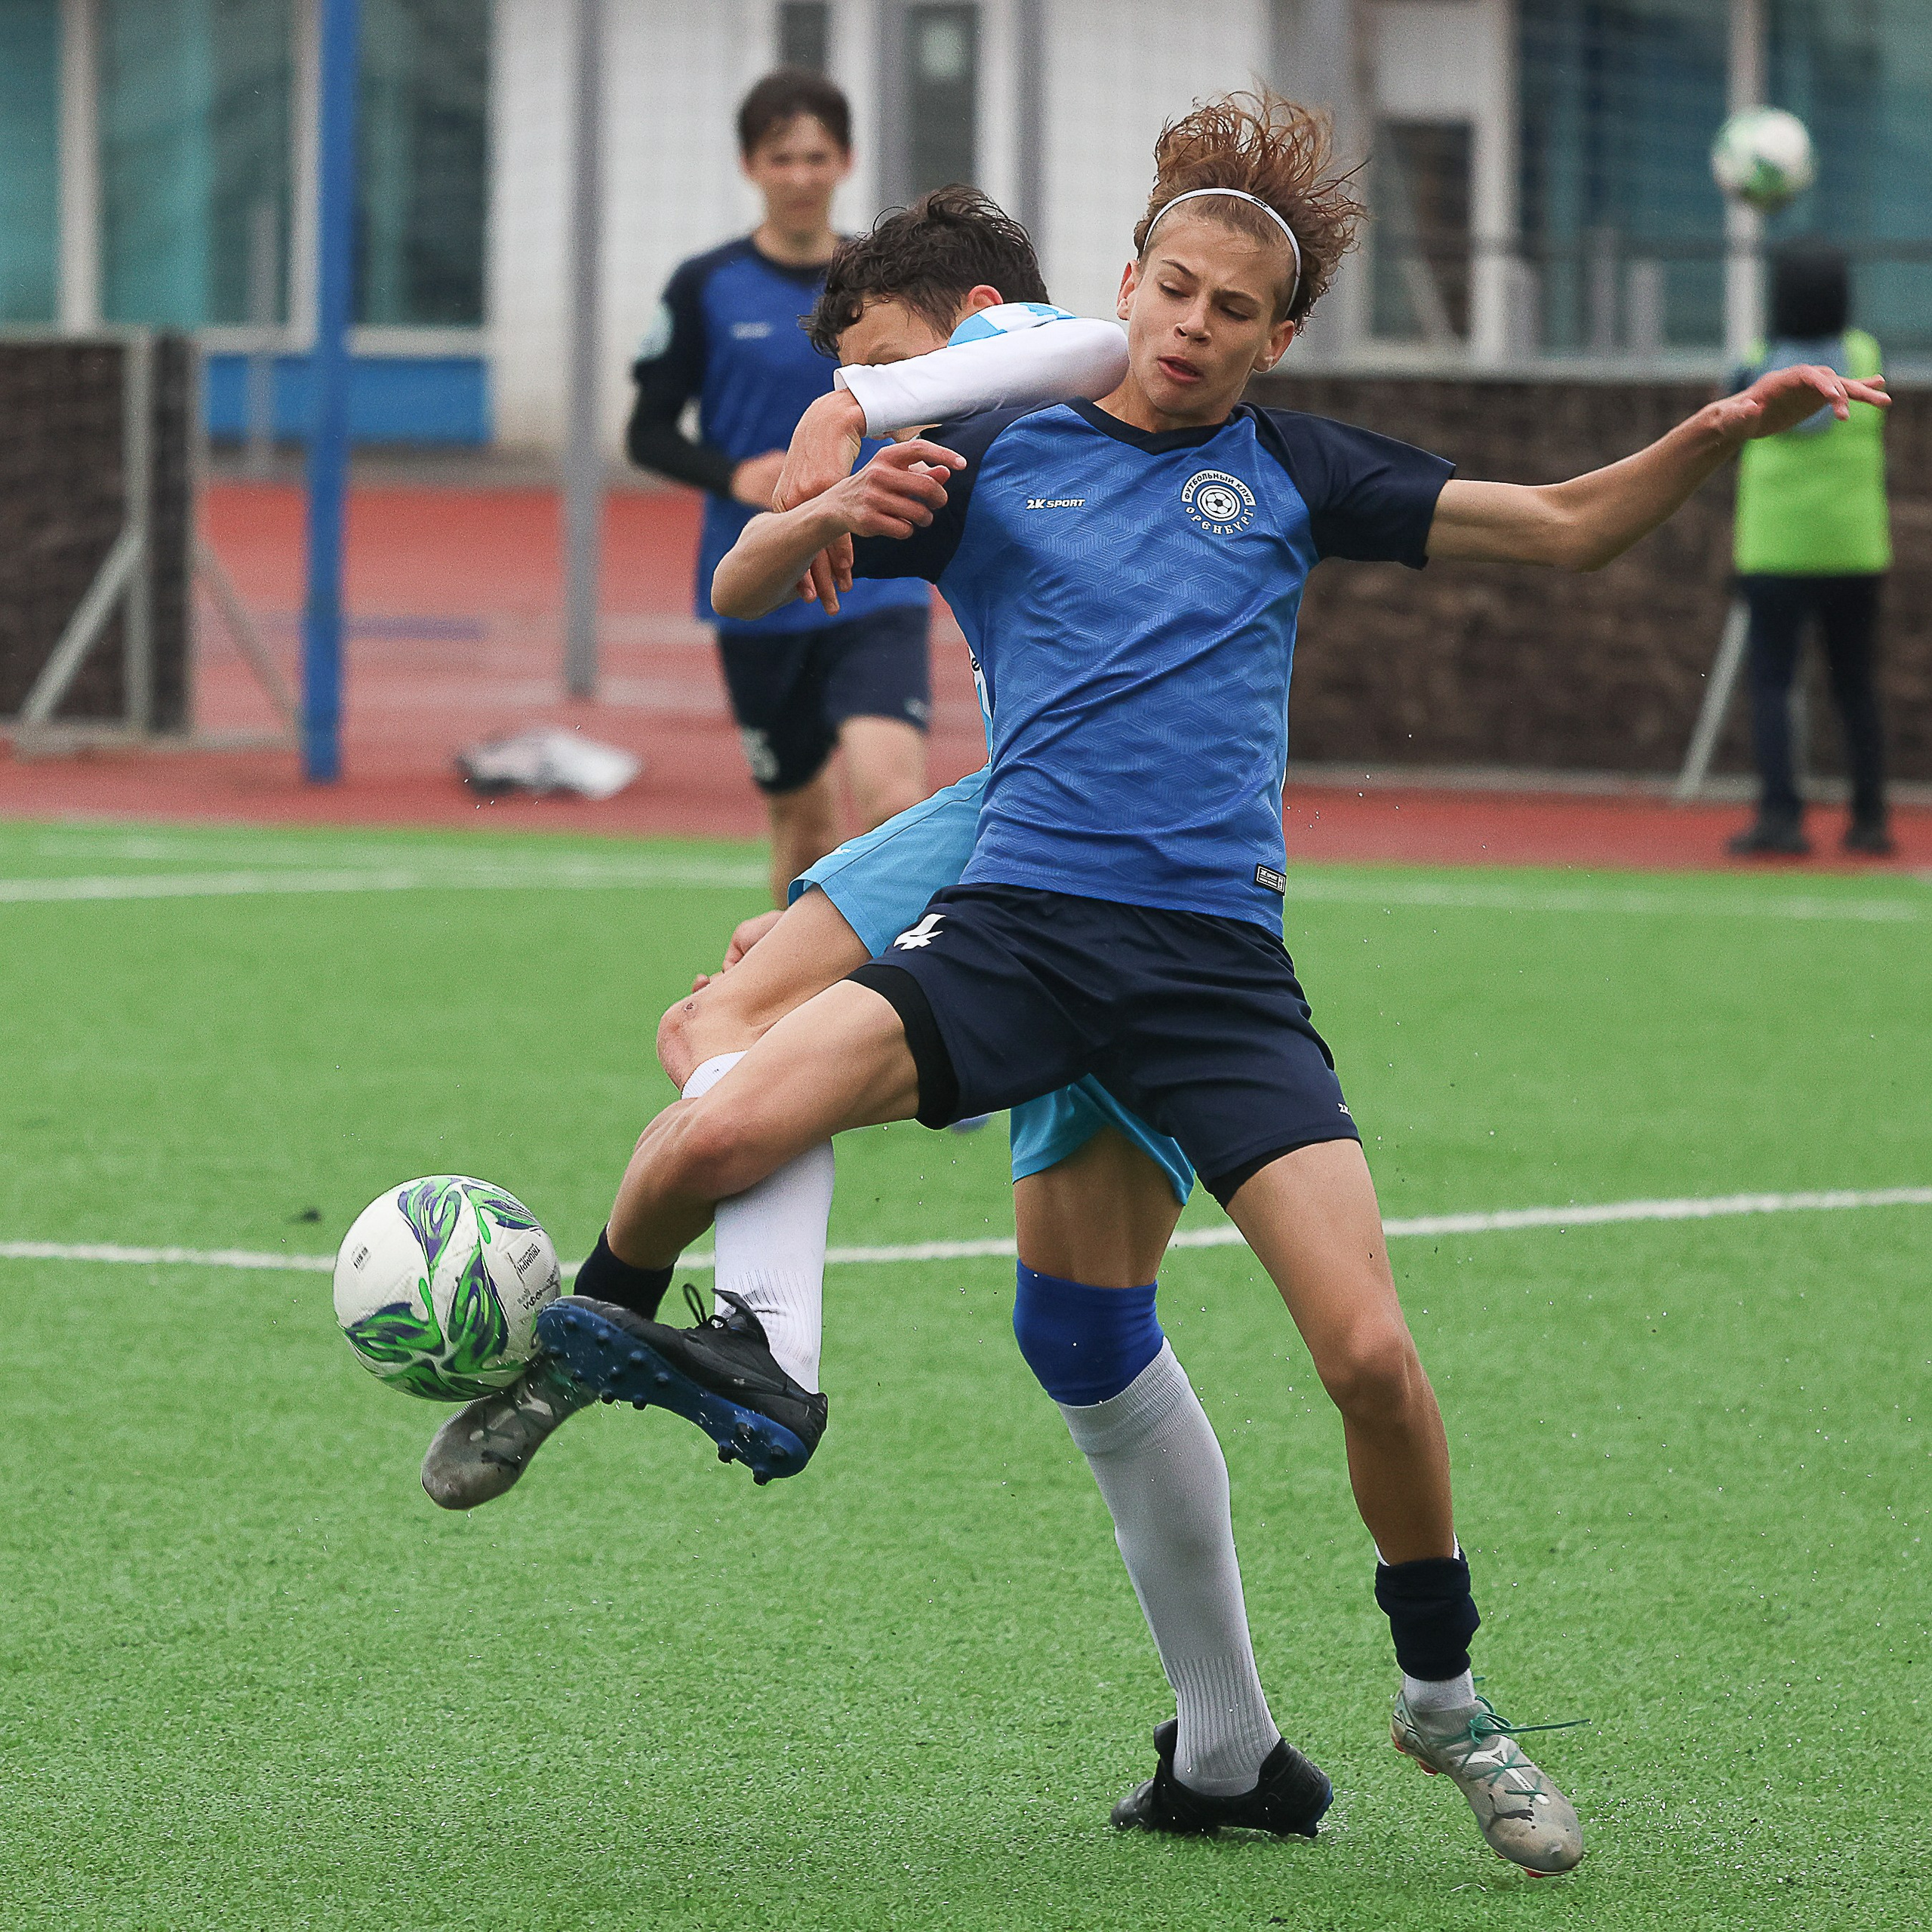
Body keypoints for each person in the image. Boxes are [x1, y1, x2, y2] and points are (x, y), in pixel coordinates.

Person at [564, 95, 1874, 1866]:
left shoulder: (1297, 471)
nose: (1189, 324)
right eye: (1166, 290)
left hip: (1206, 979)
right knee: (899, 1197)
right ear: (1124, 290)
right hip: (1020, 926)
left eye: (1227, 308)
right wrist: (823, 486)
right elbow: (751, 562)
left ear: (1273, 337)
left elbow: (1563, 529)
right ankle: (665, 1347)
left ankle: (1437, 1702)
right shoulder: (1000, 448)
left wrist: (1715, 428)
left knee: (1363, 1353)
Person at [426, 192, 1308, 1831]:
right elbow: (764, 561)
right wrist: (827, 469)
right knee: (747, 1035)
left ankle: (727, 1334)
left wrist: (863, 405)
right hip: (1017, 826)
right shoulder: (1015, 412)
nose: (892, 390)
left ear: (969, 314)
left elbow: (1059, 338)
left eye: (893, 351)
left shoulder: (1040, 356)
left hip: (1087, 861)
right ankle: (1227, 1747)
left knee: (775, 1057)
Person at [626, 69, 937, 905]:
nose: (800, 175)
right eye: (781, 158)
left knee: (893, 801)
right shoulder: (705, 286)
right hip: (761, 584)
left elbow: (933, 400)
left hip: (877, 580)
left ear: (846, 161)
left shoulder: (887, 285)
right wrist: (736, 473)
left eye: (816, 156)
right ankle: (789, 1014)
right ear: (750, 166)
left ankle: (891, 1010)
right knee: (802, 831)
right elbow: (646, 431)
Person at [1727, 242, 1894, 859]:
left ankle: (1780, 817)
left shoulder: (1757, 365)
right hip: (1854, 550)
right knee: (1855, 686)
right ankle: (1871, 820)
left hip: (1773, 551)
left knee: (1773, 685)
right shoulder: (1865, 355)